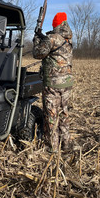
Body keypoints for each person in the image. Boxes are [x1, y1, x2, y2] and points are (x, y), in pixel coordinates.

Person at [32, 12, 74, 151]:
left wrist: (37, 39)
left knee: (51, 116)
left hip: (53, 84)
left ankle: (52, 147)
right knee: (64, 114)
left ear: (55, 24)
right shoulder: (68, 39)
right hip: (67, 84)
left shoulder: (52, 38)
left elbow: (38, 53)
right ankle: (66, 144)